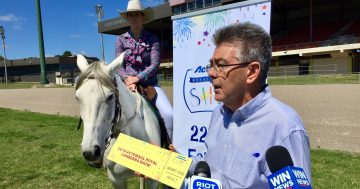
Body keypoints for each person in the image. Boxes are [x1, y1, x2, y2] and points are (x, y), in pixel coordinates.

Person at [187, 22, 311, 188]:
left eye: (221, 65)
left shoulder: (285, 126)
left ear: (252, 72)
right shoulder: (219, 113)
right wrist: (166, 163)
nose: (211, 73)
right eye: (211, 65)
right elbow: (210, 167)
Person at [115, 0, 173, 140]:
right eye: (131, 15)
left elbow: (154, 64)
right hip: (126, 84)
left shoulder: (153, 39)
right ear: (127, 18)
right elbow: (119, 65)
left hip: (150, 84)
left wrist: (137, 78)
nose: (134, 18)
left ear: (142, 17)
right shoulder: (120, 40)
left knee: (169, 115)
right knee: (111, 114)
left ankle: (169, 148)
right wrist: (128, 81)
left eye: (137, 15)